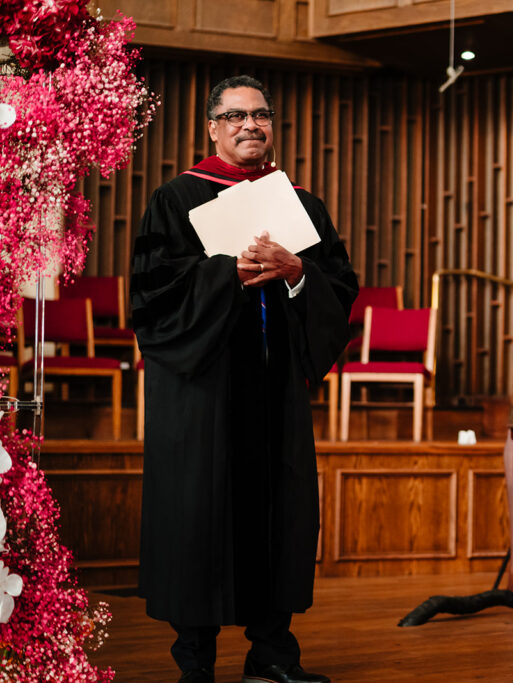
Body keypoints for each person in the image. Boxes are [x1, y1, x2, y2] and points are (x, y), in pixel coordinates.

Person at [131, 75, 358, 683]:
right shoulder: (177, 200)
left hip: (275, 389)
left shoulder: (302, 204)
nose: (250, 125)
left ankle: (272, 655)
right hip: (203, 393)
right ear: (212, 126)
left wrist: (296, 272)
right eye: (235, 115)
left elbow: (339, 287)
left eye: (260, 114)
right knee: (200, 518)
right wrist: (224, 274)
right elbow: (152, 295)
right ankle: (195, 663)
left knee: (278, 516)